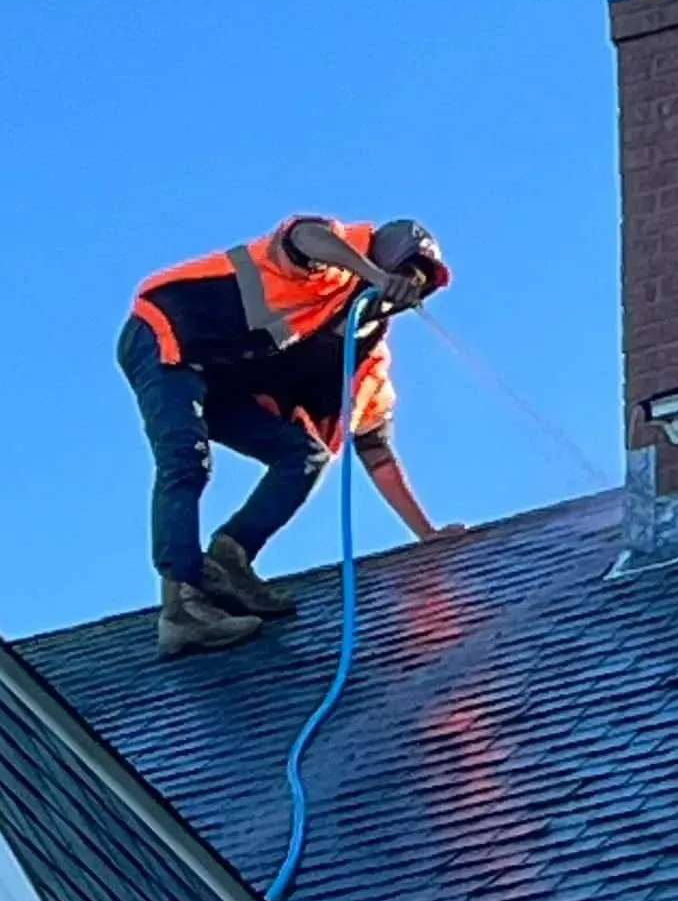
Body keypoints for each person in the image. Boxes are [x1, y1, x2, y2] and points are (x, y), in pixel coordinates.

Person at [118, 215, 450, 657]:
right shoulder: (330, 257)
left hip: (222, 374)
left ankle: (228, 561)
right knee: (185, 460)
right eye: (405, 272)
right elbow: (303, 237)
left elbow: (377, 453)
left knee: (305, 455)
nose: (408, 287)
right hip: (167, 332)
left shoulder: (361, 351)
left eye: (418, 282)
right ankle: (181, 610)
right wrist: (375, 276)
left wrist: (427, 535)